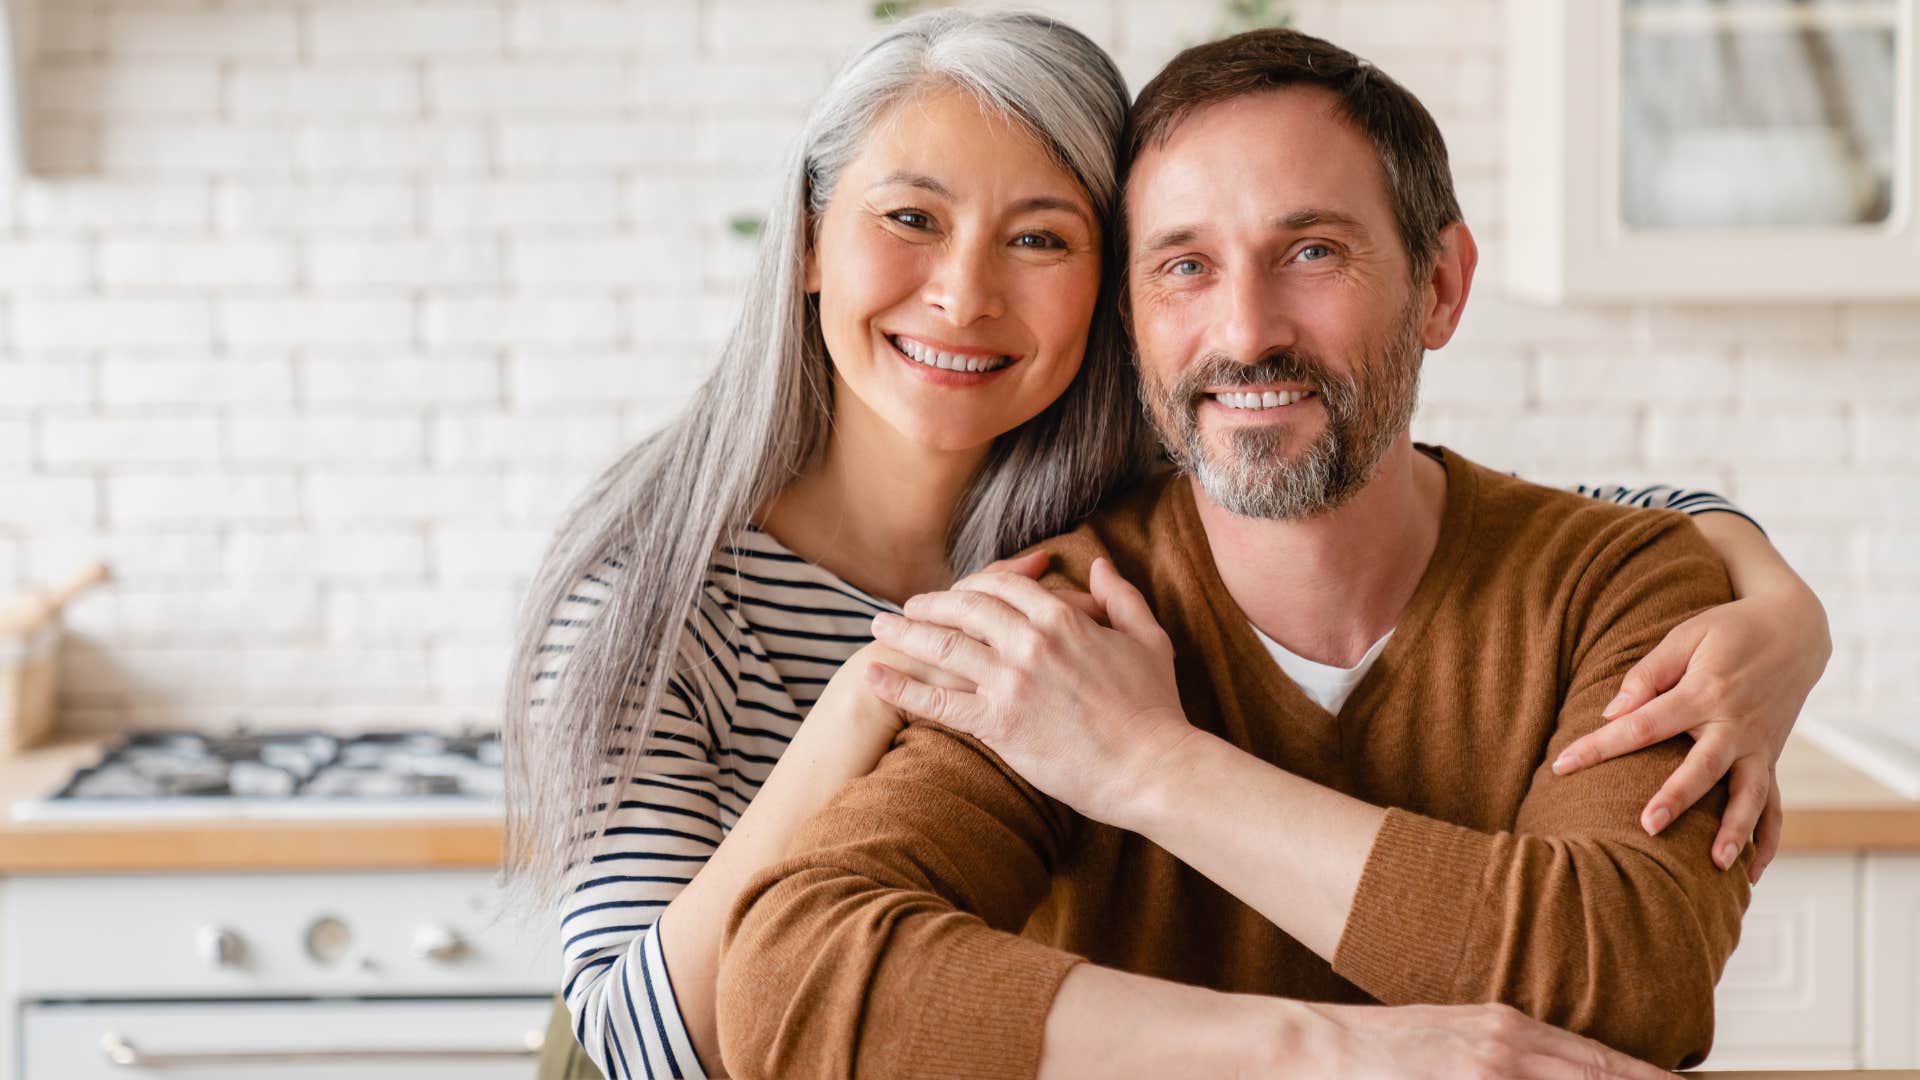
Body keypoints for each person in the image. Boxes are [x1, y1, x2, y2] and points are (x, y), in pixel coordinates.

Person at [502, 14, 1829, 1080]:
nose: (965, 291)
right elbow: (692, 1024)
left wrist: (1775, 603)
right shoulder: (767, 611)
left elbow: (1571, 531)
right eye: (910, 217)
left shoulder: (1089, 550)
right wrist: (874, 693)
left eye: (1041, 238)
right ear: (805, 244)